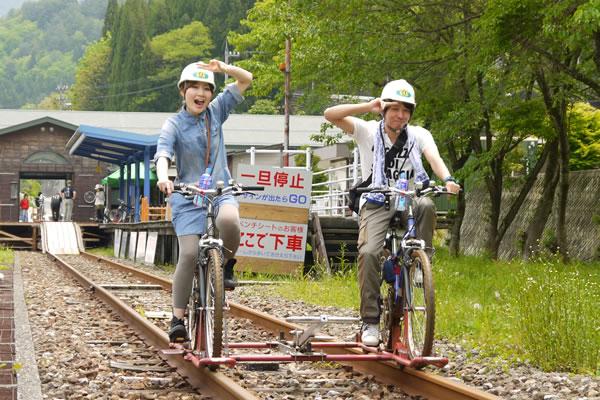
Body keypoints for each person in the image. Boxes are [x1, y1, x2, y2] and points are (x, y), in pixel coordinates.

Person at [324, 79, 461, 346]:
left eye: (406, 110)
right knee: (369, 252)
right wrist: (368, 106)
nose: (400, 115)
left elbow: (433, 157)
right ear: (384, 110)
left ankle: (421, 264)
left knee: (426, 205)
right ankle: (371, 321)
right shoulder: (366, 130)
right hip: (376, 200)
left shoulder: (419, 135)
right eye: (394, 108)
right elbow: (330, 115)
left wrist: (447, 179)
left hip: (408, 199)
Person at [154, 59, 252, 344]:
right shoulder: (173, 123)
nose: (200, 93)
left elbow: (246, 79)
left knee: (230, 221)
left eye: (206, 88)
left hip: (221, 191)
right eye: (193, 87)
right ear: (183, 91)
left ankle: (227, 264)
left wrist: (224, 69)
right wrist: (164, 177)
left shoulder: (217, 111)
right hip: (187, 196)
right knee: (187, 254)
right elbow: (162, 154)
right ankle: (177, 318)